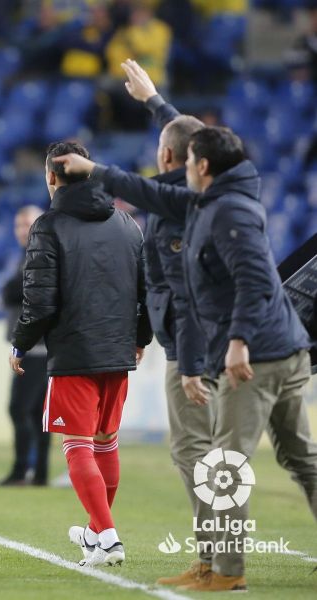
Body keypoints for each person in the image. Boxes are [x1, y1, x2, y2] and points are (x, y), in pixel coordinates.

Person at [56, 128, 316, 591]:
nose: (174, 172)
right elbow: (193, 294)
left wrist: (235, 343)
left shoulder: (224, 212)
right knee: (300, 457)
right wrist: (155, 101)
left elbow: (252, 284)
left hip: (256, 355)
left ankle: (224, 571)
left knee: (225, 465)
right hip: (282, 348)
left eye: (183, 162)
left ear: (199, 167)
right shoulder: (212, 201)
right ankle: (213, 563)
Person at [10, 141, 151, 568]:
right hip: (119, 350)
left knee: (77, 445)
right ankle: (95, 530)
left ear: (51, 177)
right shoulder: (127, 223)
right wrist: (141, 337)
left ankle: (107, 537)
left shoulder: (49, 226)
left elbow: (39, 300)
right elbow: (147, 290)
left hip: (75, 352)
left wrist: (21, 341)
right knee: (106, 443)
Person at [120, 58, 217, 587]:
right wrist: (157, 103)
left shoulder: (176, 204)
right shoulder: (215, 185)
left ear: (164, 157)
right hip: (236, 338)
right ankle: (219, 558)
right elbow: (190, 141)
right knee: (291, 451)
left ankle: (217, 561)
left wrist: (188, 359)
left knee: (193, 450)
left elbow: (188, 289)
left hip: (198, 344)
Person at [0, 205, 50, 487]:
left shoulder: (41, 255)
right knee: (38, 411)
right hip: (34, 347)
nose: (22, 230)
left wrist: (11, 289)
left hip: (37, 347)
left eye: (27, 224)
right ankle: (39, 473)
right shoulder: (25, 256)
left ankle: (22, 471)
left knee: (20, 408)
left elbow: (17, 291)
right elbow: (12, 291)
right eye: (18, 225)